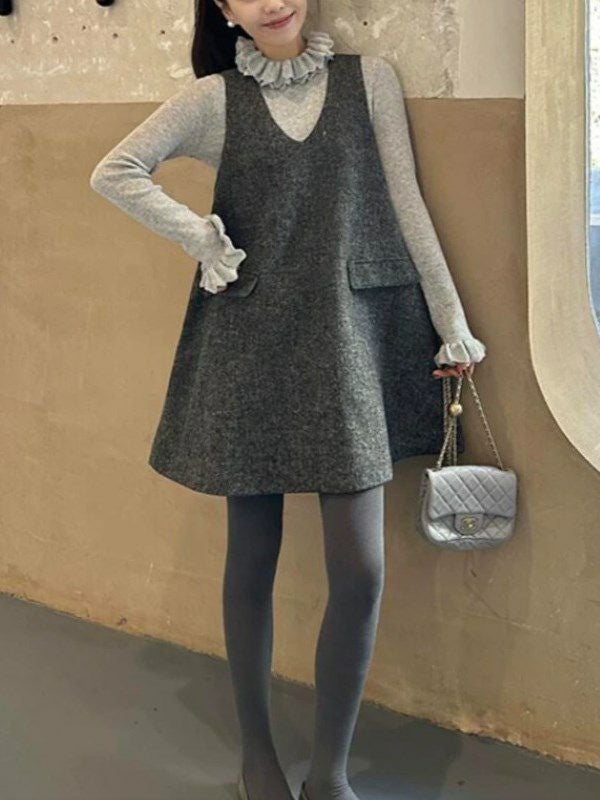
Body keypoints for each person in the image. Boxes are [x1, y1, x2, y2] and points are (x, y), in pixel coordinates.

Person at [90, 2, 487, 799]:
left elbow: (406, 202)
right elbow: (116, 170)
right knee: (251, 559)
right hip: (251, 344)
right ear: (223, 9)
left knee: (361, 570)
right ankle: (258, 760)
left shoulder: (369, 82)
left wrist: (453, 326)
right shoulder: (215, 100)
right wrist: (198, 236)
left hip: (349, 343)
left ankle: (330, 774)